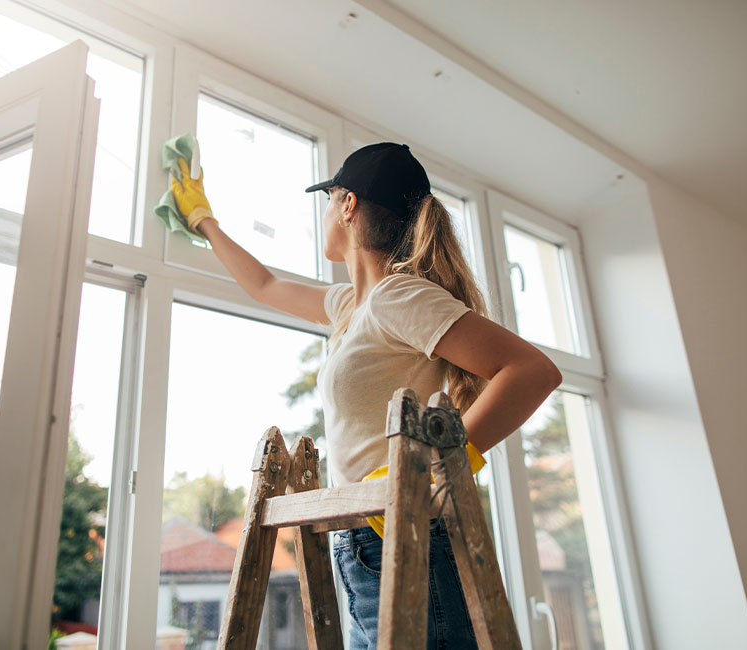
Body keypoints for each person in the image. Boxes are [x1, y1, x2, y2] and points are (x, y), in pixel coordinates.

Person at [170, 141, 562, 649]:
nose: (327, 212)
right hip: (362, 545)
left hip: (407, 540)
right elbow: (264, 285)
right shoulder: (352, 307)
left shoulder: (401, 296)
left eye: (329, 199)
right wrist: (203, 219)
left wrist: (442, 466)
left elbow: (532, 370)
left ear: (348, 204)